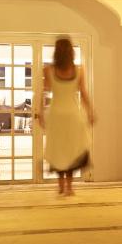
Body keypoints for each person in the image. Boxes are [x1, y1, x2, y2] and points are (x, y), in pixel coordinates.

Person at [37, 38, 95, 196]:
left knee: (58, 150)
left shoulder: (48, 69)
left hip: (56, 115)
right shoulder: (79, 70)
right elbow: (83, 93)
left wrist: (41, 113)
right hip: (73, 115)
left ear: (56, 51)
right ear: (71, 52)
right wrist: (90, 111)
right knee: (70, 150)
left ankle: (61, 186)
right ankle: (69, 187)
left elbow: (45, 93)